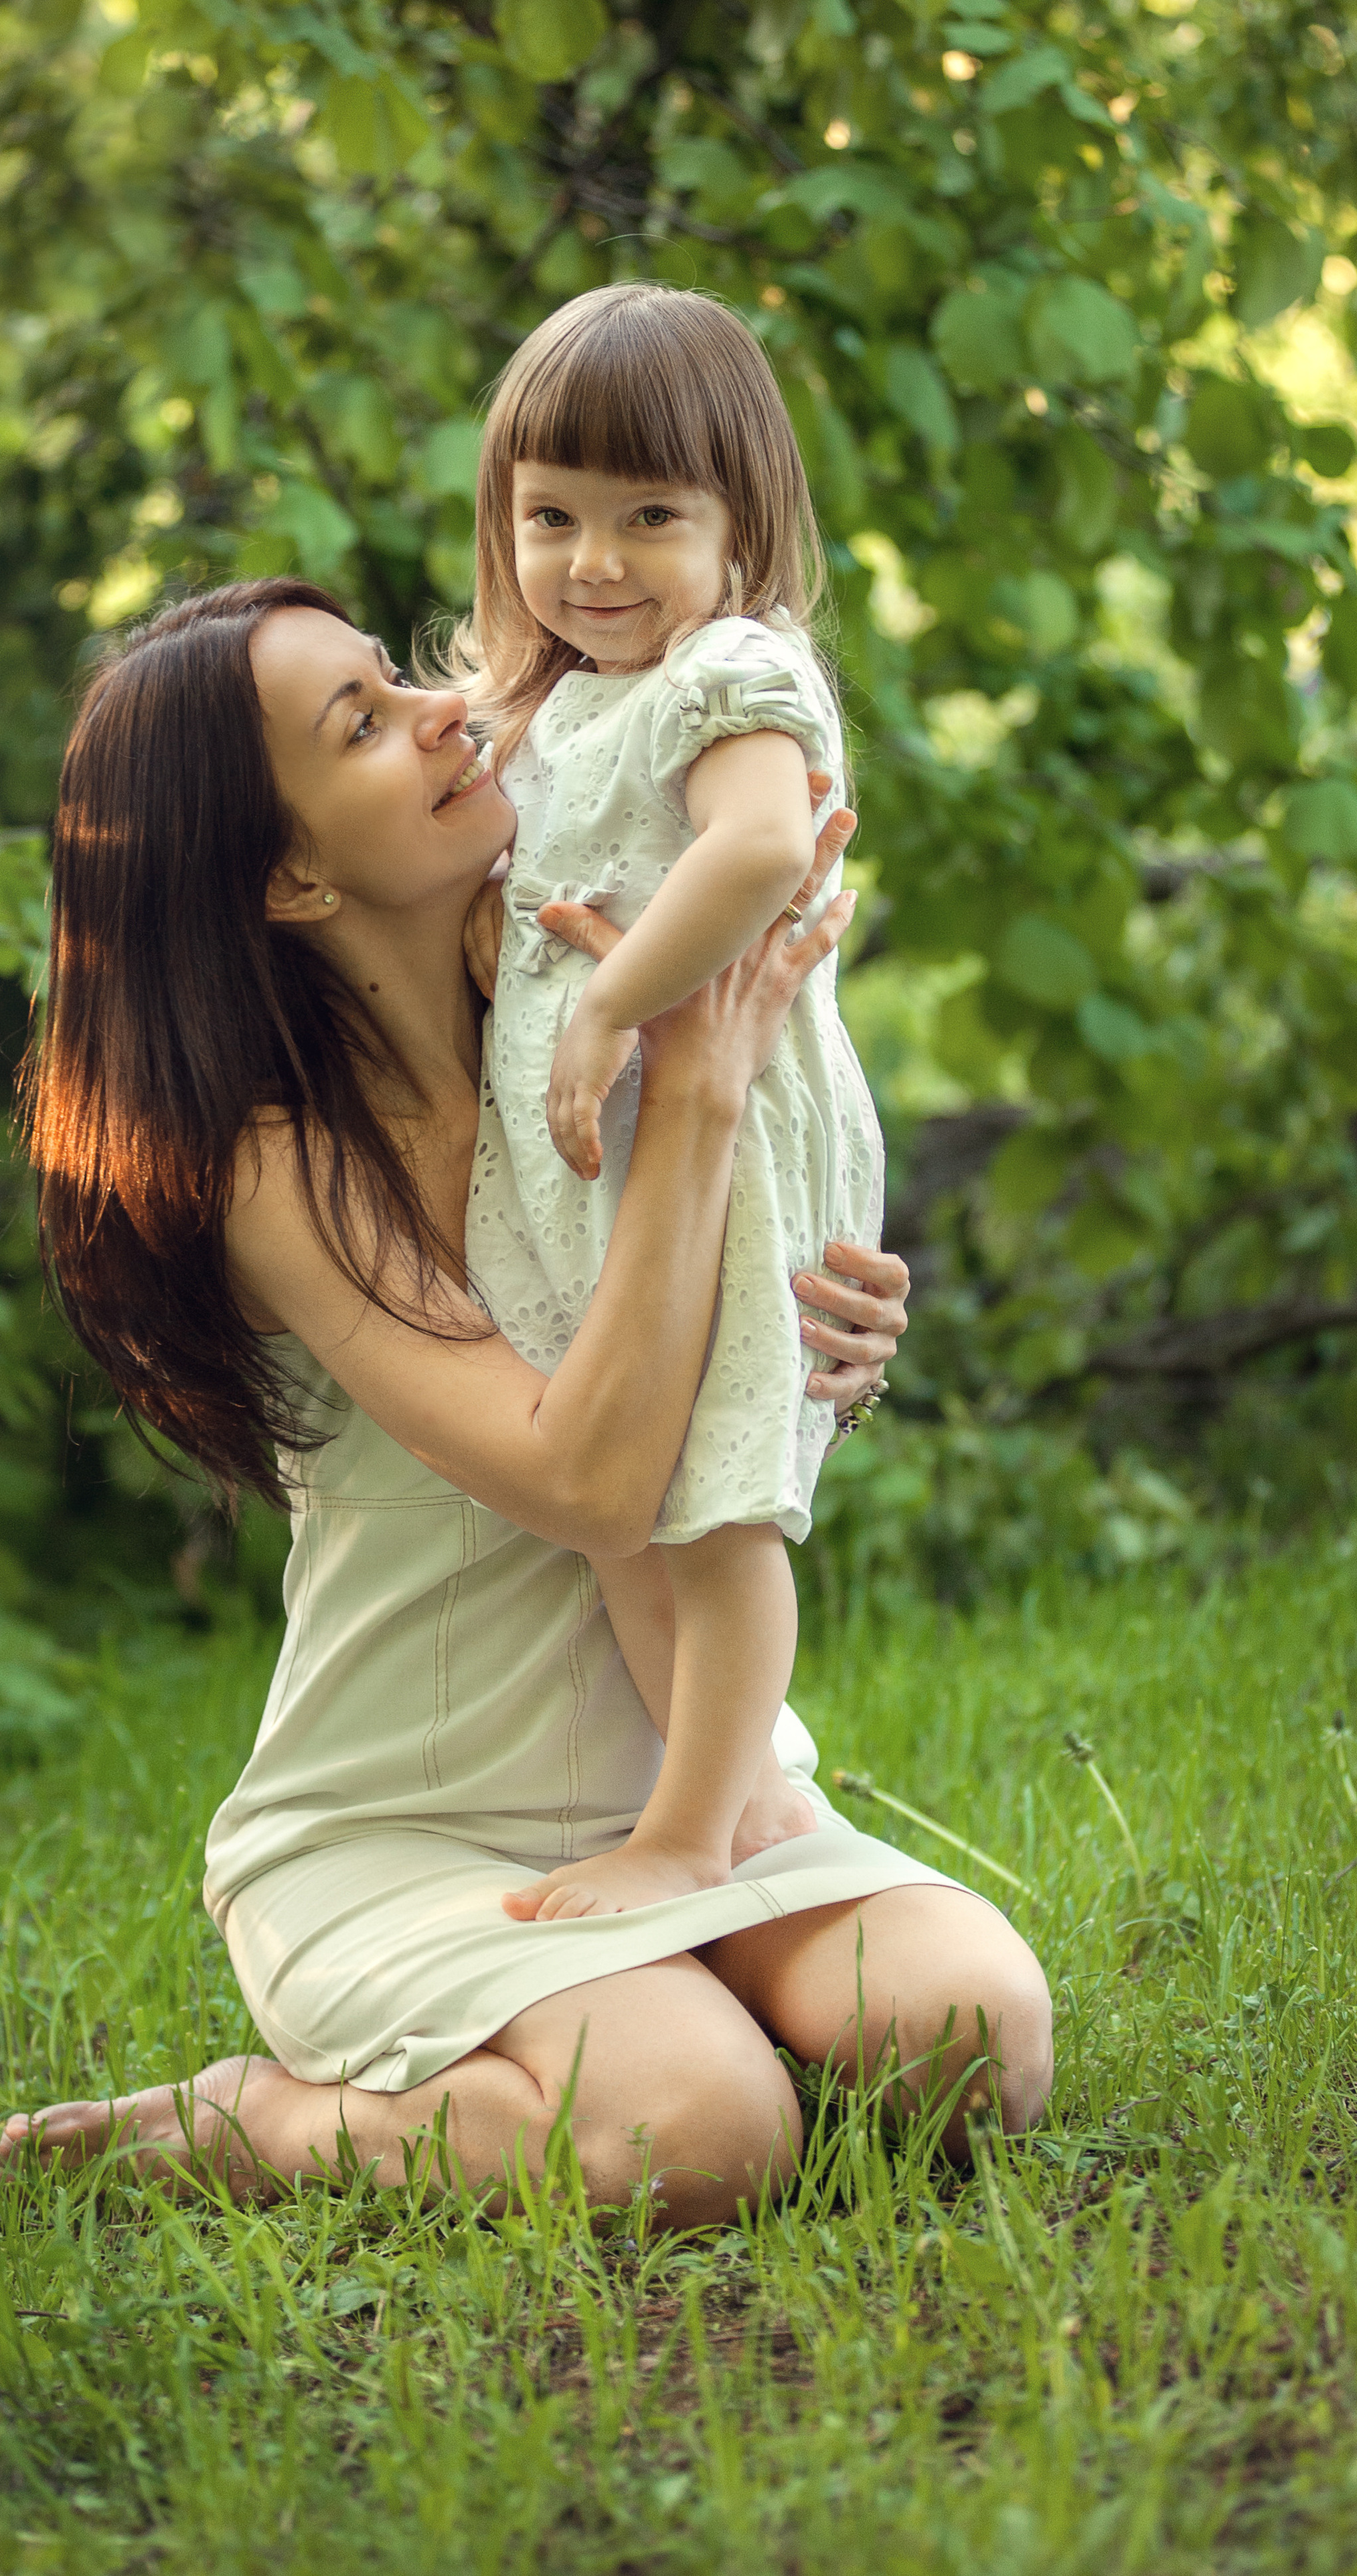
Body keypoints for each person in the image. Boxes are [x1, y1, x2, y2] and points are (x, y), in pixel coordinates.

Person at [0, 575, 1051, 2227]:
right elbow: (593, 1481)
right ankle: (255, 2119)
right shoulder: (277, 1161)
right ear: (289, 869)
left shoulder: (572, 1002)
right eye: (362, 723)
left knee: (963, 2038)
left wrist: (825, 1334)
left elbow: (718, 1366)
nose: (443, 708)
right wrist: (691, 1083)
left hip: (692, 1788)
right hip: (401, 1827)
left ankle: (681, 1974)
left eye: (401, 676)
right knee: (697, 2138)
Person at [453, 283, 884, 1924]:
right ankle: (724, 1810)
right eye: (551, 515)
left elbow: (764, 848)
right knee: (622, 1513)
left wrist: (613, 1008)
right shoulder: (563, 697)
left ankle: (694, 1833)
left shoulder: (732, 667)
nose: (595, 561)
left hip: (728, 1158)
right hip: (609, 1181)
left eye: (651, 516)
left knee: (713, 1503)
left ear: (740, 528)